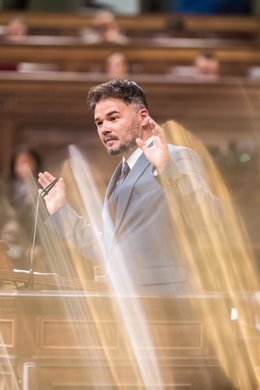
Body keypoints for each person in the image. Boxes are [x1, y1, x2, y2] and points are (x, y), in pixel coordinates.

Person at [38, 79, 222, 296]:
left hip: (169, 303)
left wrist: (166, 168)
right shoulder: (120, 175)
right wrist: (61, 213)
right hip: (126, 305)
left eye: (113, 118)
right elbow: (109, 250)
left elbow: (210, 217)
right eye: (99, 123)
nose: (105, 129)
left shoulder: (175, 157)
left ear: (142, 117)